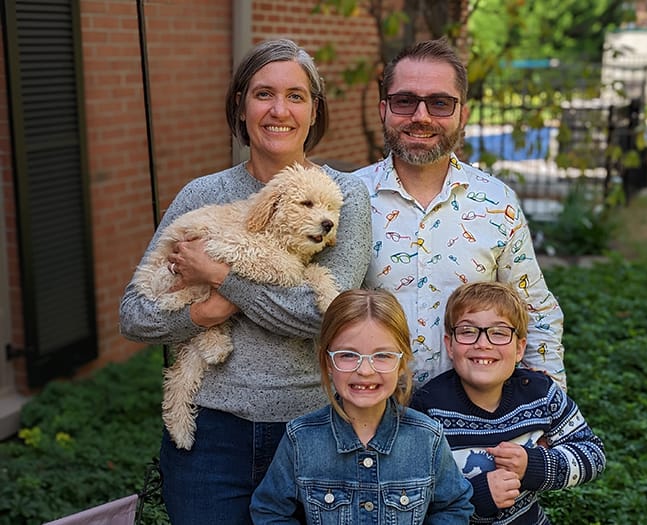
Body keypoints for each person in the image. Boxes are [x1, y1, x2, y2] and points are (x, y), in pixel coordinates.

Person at [119, 39, 372, 525]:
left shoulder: (343, 197)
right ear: (241, 103)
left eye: (296, 96)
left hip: (314, 430)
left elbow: (323, 317)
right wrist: (198, 313)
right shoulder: (203, 194)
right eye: (263, 94)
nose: (280, 110)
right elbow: (133, 317)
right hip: (210, 436)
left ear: (315, 109)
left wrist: (222, 281)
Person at [354, 38, 566, 390]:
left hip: (474, 426)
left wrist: (547, 415)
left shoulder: (496, 203)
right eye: (405, 101)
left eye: (440, 103)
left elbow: (537, 314)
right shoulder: (347, 198)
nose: (420, 117)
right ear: (383, 109)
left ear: (463, 115)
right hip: (370, 419)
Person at [249, 289, 474, 523]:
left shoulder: (427, 438)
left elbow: (454, 506)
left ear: (401, 362)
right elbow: (269, 510)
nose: (365, 371)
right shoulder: (301, 438)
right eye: (348, 355)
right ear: (327, 361)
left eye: (382, 356)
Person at [411, 282, 606, 524]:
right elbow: (410, 495)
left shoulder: (540, 393)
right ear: (450, 345)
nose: (483, 343)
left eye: (500, 332)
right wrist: (477, 497)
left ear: (520, 348)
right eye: (468, 331)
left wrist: (532, 466)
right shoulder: (427, 407)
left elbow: (593, 454)